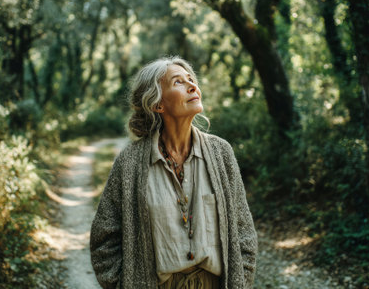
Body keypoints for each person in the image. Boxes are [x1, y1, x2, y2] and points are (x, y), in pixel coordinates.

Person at [90, 56, 257, 289]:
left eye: (191, 79)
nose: (192, 86)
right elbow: (104, 239)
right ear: (158, 104)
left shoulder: (221, 153)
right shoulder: (129, 163)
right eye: (178, 82)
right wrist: (121, 284)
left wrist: (243, 280)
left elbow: (244, 231)